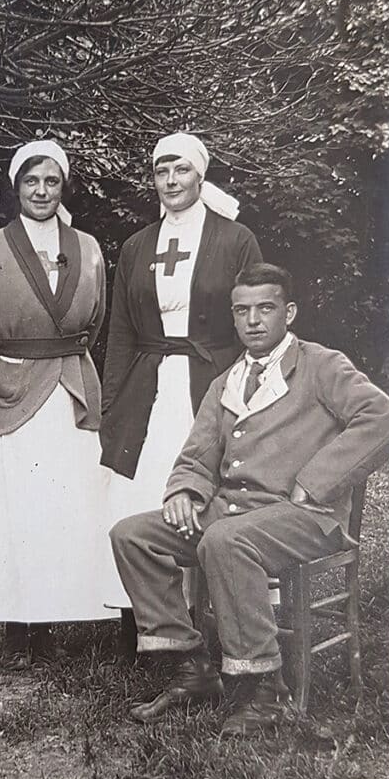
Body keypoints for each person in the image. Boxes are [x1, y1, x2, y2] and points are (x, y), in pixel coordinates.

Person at [110, 264, 389, 736]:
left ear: (289, 312)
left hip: (307, 516)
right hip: (233, 516)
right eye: (242, 310)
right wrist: (185, 490)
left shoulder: (322, 365)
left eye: (265, 308)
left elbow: (382, 418)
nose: (253, 320)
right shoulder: (226, 381)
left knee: (224, 541)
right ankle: (192, 667)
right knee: (133, 535)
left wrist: (318, 479)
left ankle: (268, 693)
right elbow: (198, 454)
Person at [100, 132, 262, 661]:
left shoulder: (234, 240)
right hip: (150, 386)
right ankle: (148, 627)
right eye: (162, 172)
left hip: (209, 383)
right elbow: (122, 330)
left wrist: (247, 392)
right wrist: (113, 401)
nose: (171, 181)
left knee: (208, 490)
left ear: (200, 176)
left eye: (182, 171)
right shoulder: (137, 246)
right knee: (143, 494)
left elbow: (252, 321)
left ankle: (220, 618)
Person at [0, 140, 111, 666]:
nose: (41, 191)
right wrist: (0, 376)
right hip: (11, 389)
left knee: (64, 503)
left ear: (64, 187)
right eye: (30, 182)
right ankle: (19, 627)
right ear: (15, 187)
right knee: (15, 506)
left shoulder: (87, 247)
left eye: (51, 182)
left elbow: (97, 318)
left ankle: (59, 611)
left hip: (69, 385)